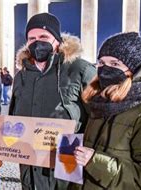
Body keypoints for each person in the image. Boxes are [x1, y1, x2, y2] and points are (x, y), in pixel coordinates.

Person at [73, 32, 141, 189]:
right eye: (101, 62)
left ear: (133, 70)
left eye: (115, 64)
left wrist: (95, 161)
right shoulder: (98, 103)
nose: (105, 69)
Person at [9, 13, 96, 190]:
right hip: (30, 166)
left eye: (43, 37)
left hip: (66, 166)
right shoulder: (21, 76)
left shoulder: (80, 69)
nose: (37, 42)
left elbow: (98, 116)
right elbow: (13, 117)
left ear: (57, 40)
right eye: (31, 38)